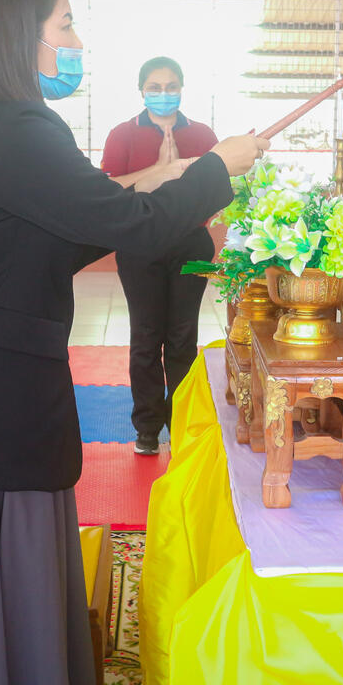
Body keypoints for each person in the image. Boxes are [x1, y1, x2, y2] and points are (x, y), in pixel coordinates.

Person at [0, 0, 267, 685]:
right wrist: (215, 168)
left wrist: (169, 175)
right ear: (18, 32)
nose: (75, 42)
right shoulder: (18, 129)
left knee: (12, 576)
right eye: (64, 23)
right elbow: (133, 226)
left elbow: (72, 230)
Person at [101, 57, 219, 455]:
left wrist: (185, 178)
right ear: (141, 90)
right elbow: (111, 190)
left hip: (190, 243)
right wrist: (158, 170)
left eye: (171, 87)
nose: (163, 94)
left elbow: (217, 187)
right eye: (155, 87)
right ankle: (148, 428)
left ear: (181, 89)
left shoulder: (203, 134)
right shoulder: (122, 134)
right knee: (146, 336)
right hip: (140, 244)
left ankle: (182, 425)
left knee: (183, 338)